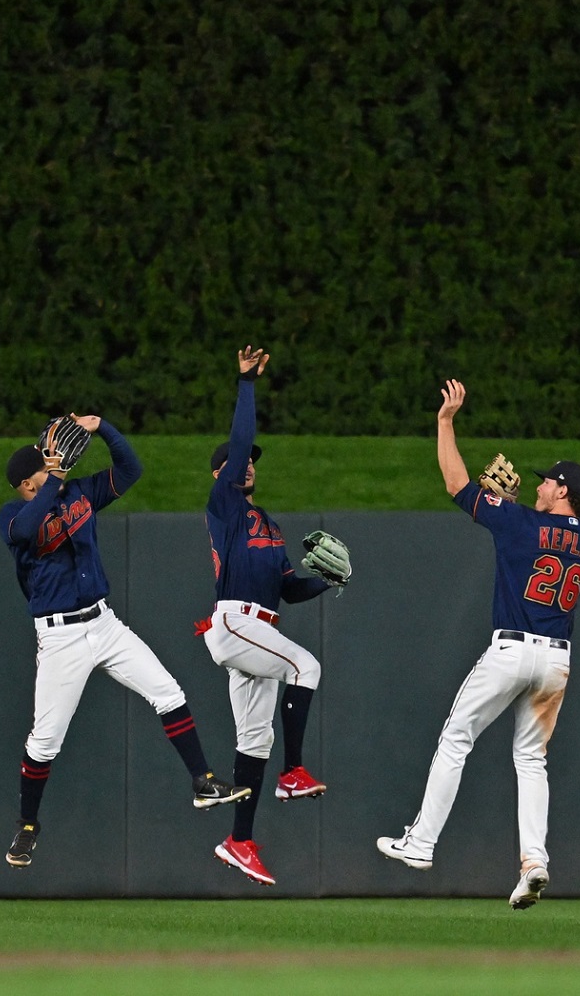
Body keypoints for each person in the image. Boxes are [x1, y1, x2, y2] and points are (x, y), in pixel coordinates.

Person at [376, 380, 580, 910]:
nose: (541, 483)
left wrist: (445, 422)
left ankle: (421, 843)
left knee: (456, 738)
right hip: (556, 661)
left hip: (513, 650)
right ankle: (534, 862)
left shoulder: (520, 523)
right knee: (531, 760)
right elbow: (550, 544)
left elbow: (456, 482)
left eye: (549, 482)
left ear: (564, 491)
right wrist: (520, 509)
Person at [0, 414, 249, 869]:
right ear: (27, 484)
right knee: (45, 741)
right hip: (60, 638)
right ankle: (28, 826)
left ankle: (203, 781)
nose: (57, 463)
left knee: (168, 692)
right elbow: (24, 532)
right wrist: (54, 478)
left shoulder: (78, 493)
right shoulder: (13, 514)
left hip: (104, 623)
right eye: (44, 465)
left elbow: (130, 470)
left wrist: (104, 429)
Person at [196, 346, 347, 886]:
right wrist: (246, 385)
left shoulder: (269, 524)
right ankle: (293, 772)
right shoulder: (225, 506)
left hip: (259, 627)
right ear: (223, 473)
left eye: (254, 459)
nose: (249, 462)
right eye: (241, 460)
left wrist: (326, 581)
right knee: (306, 667)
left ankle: (238, 840)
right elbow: (238, 444)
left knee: (251, 740)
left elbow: (288, 589)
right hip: (235, 622)